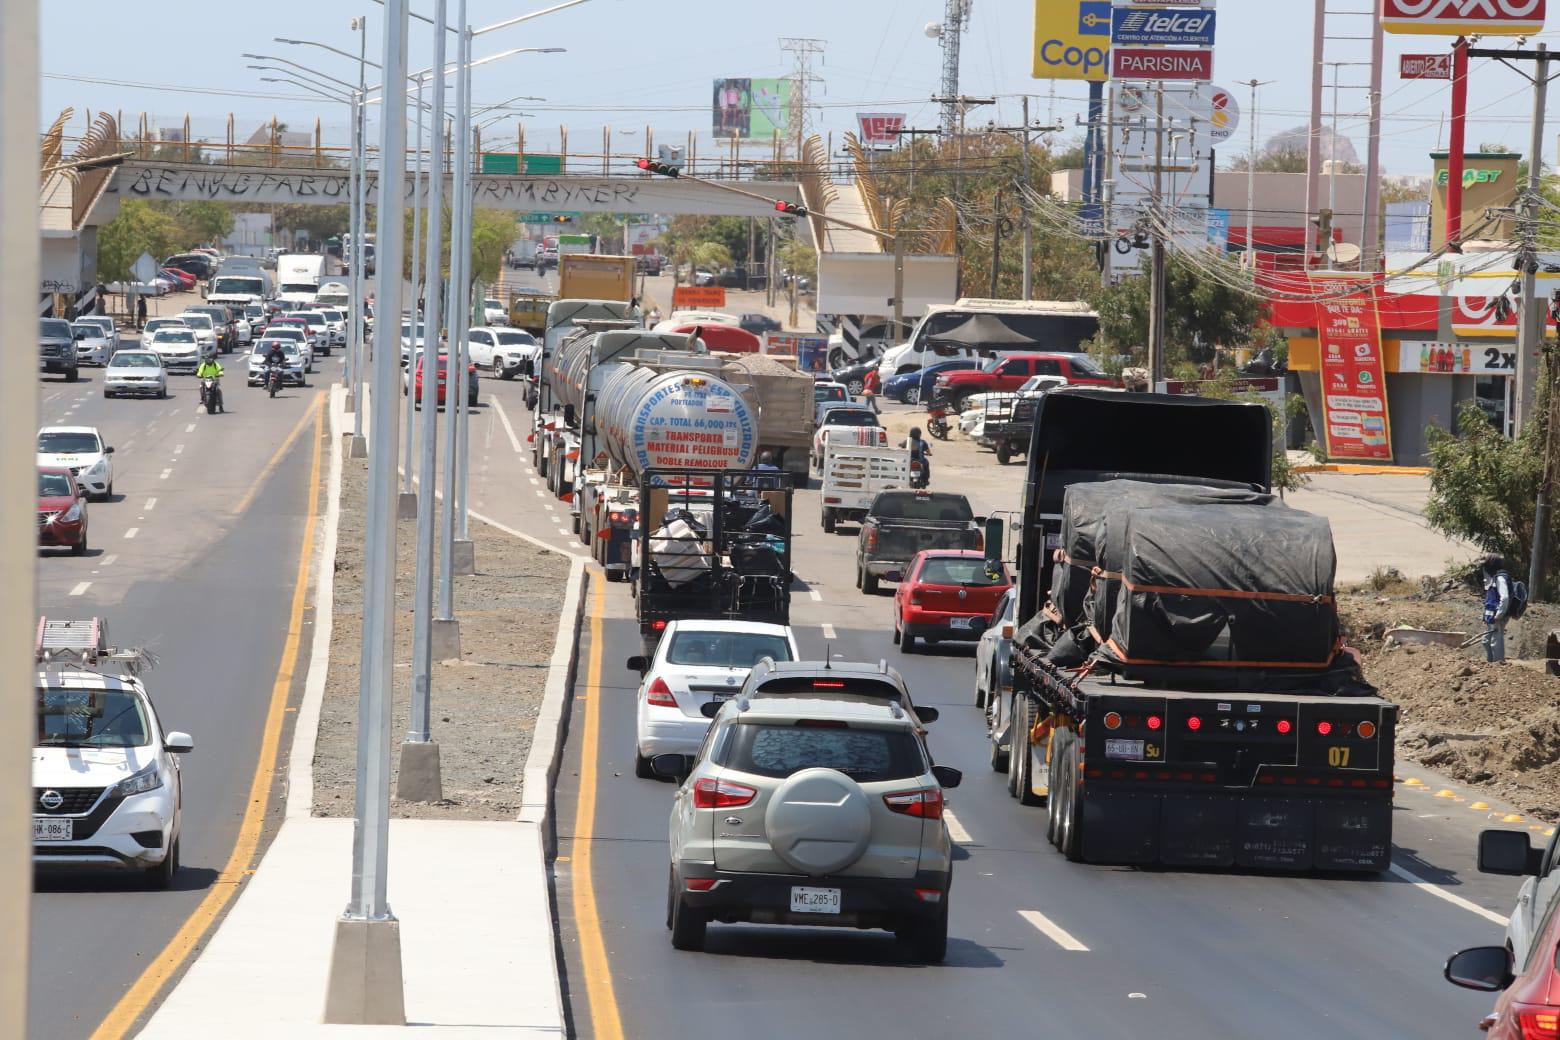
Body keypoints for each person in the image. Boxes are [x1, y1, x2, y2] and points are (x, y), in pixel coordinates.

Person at [1481, 555, 1513, 663]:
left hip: (1497, 615)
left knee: (1496, 641)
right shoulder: (1494, 578)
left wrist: (1499, 614)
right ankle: (1490, 663)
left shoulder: (1500, 578)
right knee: (1486, 641)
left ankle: (1498, 663)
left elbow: (1505, 598)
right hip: (1491, 615)